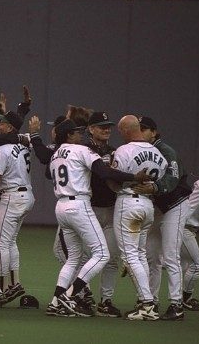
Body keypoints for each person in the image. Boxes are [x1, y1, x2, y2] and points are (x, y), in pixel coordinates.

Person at [45, 118, 150, 318]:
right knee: (102, 254)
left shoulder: (56, 154)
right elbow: (104, 172)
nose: (81, 135)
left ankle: (55, 301)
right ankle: (69, 296)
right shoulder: (81, 150)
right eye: (77, 132)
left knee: (74, 258)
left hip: (61, 206)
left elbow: (48, 175)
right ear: (69, 135)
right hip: (79, 204)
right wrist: (134, 177)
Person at [132, 116, 191, 320]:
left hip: (176, 205)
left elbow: (173, 177)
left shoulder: (166, 150)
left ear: (154, 132)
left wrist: (155, 187)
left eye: (145, 129)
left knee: (170, 255)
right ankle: (151, 301)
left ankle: (176, 305)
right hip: (158, 207)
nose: (141, 132)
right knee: (151, 256)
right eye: (138, 129)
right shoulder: (140, 150)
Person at [110, 115, 167, 320]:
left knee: (130, 256)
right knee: (140, 255)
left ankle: (147, 305)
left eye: (120, 131)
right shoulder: (158, 153)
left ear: (126, 130)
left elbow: (114, 181)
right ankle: (147, 299)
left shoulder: (124, 150)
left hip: (129, 204)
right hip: (147, 205)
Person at [0, 111, 34, 305]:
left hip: (12, 196)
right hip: (27, 195)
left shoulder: (3, 149)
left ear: (10, 128)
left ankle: (0, 288)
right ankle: (14, 284)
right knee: (10, 241)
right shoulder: (23, 147)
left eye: (3, 124)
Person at [85, 112, 122, 317]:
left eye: (108, 126)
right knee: (85, 256)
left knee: (112, 258)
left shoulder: (115, 151)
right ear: (91, 129)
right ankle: (84, 296)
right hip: (89, 209)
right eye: (101, 126)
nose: (106, 129)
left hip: (111, 209)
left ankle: (106, 301)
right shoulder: (83, 150)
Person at [181, 172, 199, 311]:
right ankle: (185, 299)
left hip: (188, 228)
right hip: (184, 228)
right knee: (197, 265)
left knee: (185, 266)